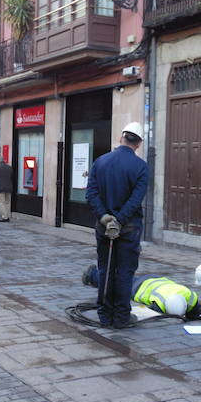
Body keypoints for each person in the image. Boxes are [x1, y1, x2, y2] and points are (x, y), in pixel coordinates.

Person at [85, 122, 150, 329]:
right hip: (129, 228)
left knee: (105, 270)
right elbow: (135, 199)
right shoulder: (140, 167)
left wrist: (105, 217)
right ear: (139, 144)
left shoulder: (100, 162)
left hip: (103, 228)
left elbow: (91, 194)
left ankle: (105, 315)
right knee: (124, 273)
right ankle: (121, 317)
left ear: (121, 137)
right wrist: (119, 220)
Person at [82, 265, 201, 320]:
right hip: (138, 288)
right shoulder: (159, 305)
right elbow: (149, 314)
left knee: (120, 279)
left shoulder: (189, 295)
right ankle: (92, 275)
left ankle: (96, 273)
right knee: (115, 286)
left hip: (155, 279)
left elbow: (195, 310)